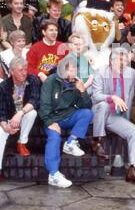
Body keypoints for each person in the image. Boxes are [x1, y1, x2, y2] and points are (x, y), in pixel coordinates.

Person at [91, 48, 135, 187]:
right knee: (103, 105)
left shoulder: (131, 72)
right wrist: (112, 98)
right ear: (111, 60)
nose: (123, 63)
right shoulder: (100, 72)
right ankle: (97, 141)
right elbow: (95, 96)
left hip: (116, 116)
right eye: (120, 60)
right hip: (100, 112)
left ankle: (133, 169)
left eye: (126, 60)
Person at [39, 57, 94, 188]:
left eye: (75, 69)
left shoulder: (76, 83)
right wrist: (50, 122)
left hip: (67, 116)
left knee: (87, 114)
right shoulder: (51, 81)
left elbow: (86, 106)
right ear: (63, 70)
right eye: (71, 69)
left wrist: (82, 91)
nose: (74, 72)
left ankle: (70, 143)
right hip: (51, 118)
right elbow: (44, 105)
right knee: (54, 137)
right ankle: (53, 174)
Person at [0, 57, 40, 190]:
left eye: (25, 69)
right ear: (11, 72)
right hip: (8, 120)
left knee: (32, 112)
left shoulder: (32, 80)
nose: (24, 73)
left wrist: (20, 113)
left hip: (23, 114)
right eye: (20, 70)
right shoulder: (2, 87)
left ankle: (21, 142)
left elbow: (35, 101)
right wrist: (5, 126)